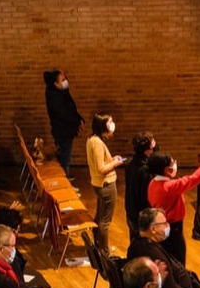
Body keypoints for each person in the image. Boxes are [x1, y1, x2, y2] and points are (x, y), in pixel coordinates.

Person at [147, 135, 200, 266]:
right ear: (167, 170)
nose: (175, 164)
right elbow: (196, 177)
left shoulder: (152, 183)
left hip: (162, 229)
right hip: (173, 231)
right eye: (172, 163)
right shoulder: (169, 187)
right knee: (178, 264)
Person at [86, 113, 124, 252]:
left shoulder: (92, 139)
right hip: (105, 184)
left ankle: (98, 247)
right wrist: (116, 163)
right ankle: (104, 251)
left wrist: (112, 159)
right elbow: (101, 169)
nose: (113, 124)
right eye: (110, 122)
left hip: (99, 184)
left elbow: (100, 162)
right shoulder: (97, 143)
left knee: (99, 217)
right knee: (105, 221)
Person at [44, 69, 84, 178]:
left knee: (65, 155)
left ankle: (64, 175)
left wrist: (79, 118)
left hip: (65, 130)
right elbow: (64, 114)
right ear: (56, 84)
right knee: (65, 157)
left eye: (65, 78)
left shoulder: (61, 92)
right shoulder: (54, 96)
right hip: (63, 131)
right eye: (62, 80)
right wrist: (76, 121)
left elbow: (71, 108)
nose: (66, 81)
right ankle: (64, 178)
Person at [126, 131, 157, 239]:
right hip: (142, 215)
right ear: (147, 151)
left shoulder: (130, 163)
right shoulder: (146, 171)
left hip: (131, 210)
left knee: (134, 240)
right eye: (152, 147)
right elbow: (146, 197)